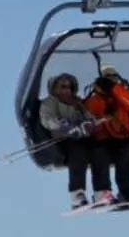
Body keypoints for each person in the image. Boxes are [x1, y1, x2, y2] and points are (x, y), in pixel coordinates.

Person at [37, 73, 104, 207]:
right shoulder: (50, 102)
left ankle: (101, 192)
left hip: (80, 137)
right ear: (54, 89)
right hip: (61, 140)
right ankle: (77, 194)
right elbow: (48, 120)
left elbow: (89, 117)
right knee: (77, 151)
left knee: (99, 149)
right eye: (62, 86)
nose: (66, 90)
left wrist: (89, 124)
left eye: (68, 87)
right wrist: (64, 126)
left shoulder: (77, 103)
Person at [84, 68, 129, 202]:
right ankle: (102, 191)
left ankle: (125, 191)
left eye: (114, 77)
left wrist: (114, 89)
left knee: (126, 153)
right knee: (99, 152)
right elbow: (87, 121)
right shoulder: (93, 100)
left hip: (120, 139)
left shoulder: (122, 98)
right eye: (108, 78)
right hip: (100, 140)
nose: (112, 80)